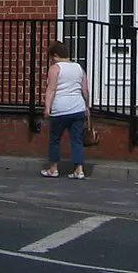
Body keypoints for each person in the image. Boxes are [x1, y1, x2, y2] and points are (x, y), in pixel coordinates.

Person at [41, 39, 90, 179]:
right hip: (78, 108)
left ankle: (53, 169)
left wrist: (47, 107)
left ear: (55, 55)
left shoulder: (55, 68)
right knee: (77, 140)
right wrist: (87, 106)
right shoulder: (79, 67)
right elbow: (85, 90)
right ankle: (79, 170)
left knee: (55, 139)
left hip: (60, 109)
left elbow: (51, 89)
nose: (52, 60)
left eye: (52, 57)